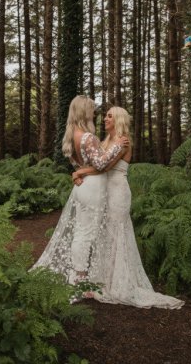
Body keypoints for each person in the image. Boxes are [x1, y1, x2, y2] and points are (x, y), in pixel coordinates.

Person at [72, 107, 184, 309]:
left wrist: (79, 172)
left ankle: (118, 283)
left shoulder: (123, 141)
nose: (105, 119)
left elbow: (104, 167)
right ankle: (104, 281)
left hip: (118, 192)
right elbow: (98, 164)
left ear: (118, 120)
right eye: (105, 115)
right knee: (106, 234)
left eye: (109, 116)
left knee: (117, 234)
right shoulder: (106, 141)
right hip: (106, 191)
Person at [32, 96, 128, 287]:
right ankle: (79, 277)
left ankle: (79, 274)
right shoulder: (87, 137)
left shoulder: (71, 136)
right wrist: (117, 146)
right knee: (86, 234)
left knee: (81, 232)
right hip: (92, 187)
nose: (95, 113)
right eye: (92, 109)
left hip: (83, 186)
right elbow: (101, 165)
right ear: (84, 112)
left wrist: (78, 172)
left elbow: (82, 164)